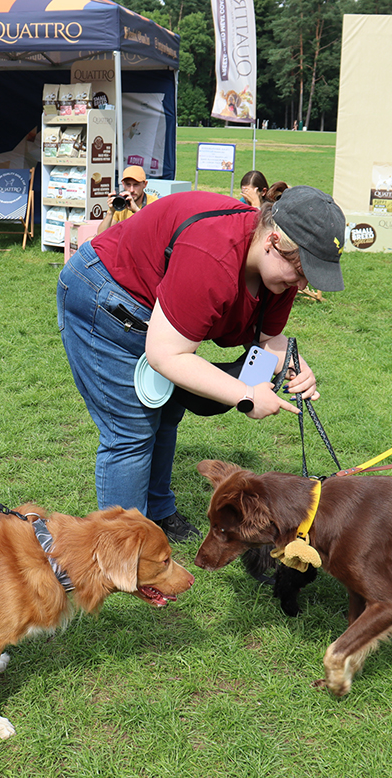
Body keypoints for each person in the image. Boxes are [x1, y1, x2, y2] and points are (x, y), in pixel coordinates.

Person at [56, 187, 346, 542]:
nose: (301, 285)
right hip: (106, 293)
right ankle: (123, 549)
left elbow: (263, 341)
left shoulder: (277, 276)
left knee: (165, 416)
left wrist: (292, 362)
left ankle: (158, 515)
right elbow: (166, 355)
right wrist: (245, 395)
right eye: (301, 269)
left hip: (154, 311)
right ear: (273, 241)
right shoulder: (214, 255)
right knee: (131, 430)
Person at [97, 165, 154, 233]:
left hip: (143, 242)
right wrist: (111, 212)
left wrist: (136, 210)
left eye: (136, 185)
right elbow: (100, 236)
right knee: (90, 240)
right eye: (128, 185)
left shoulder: (154, 203)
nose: (131, 190)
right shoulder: (121, 202)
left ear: (145, 184)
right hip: (124, 241)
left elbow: (153, 232)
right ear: (123, 184)